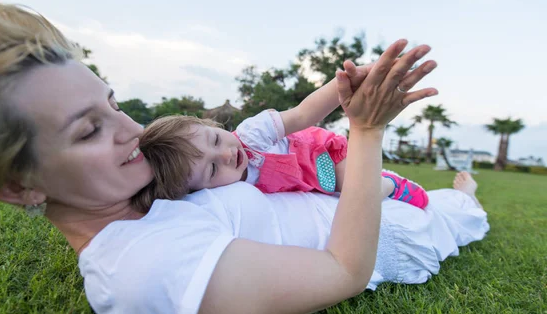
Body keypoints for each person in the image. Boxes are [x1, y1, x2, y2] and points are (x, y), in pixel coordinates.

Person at [0, 2, 488, 314]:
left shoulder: (138, 189)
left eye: (112, 104)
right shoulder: (146, 274)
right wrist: (366, 131)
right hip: (392, 235)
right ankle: (467, 194)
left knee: (440, 199)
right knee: (458, 215)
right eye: (88, 130)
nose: (133, 130)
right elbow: (344, 273)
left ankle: (458, 190)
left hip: (357, 201)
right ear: (20, 185)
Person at [134, 82, 430, 213]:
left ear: (212, 127)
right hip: (312, 182)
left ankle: (390, 185)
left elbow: (303, 113)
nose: (227, 154)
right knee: (342, 192)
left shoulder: (250, 134)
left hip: (321, 154)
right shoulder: (224, 196)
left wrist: (344, 86)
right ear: (201, 190)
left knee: (358, 193)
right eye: (212, 168)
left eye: (214, 140)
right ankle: (380, 180)